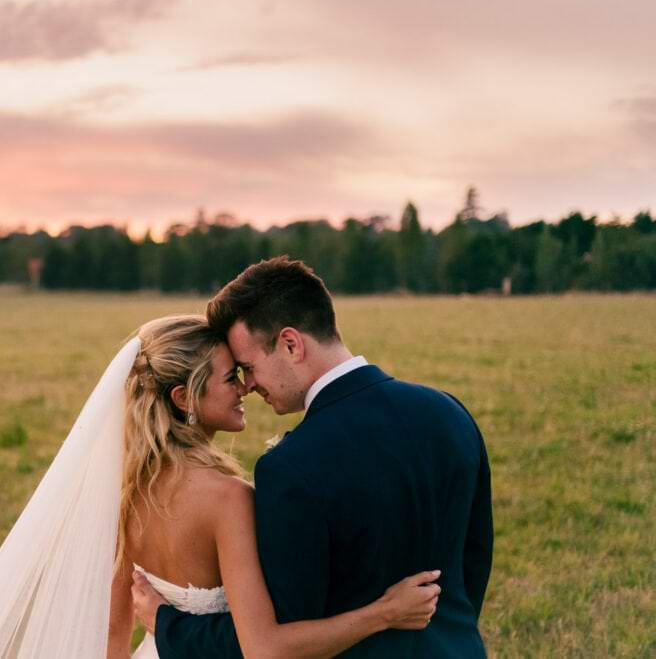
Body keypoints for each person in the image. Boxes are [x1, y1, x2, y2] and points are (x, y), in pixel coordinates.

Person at [132, 257, 493, 658]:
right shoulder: (449, 412)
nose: (248, 385)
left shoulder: (291, 467)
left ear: (291, 344)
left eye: (248, 367)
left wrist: (170, 625)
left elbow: (278, 636)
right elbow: (473, 563)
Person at [109, 315, 441, 659]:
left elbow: (112, 630)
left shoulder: (126, 486)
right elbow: (265, 649)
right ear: (183, 398)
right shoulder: (227, 498)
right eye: (230, 378)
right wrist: (384, 613)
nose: (244, 388)